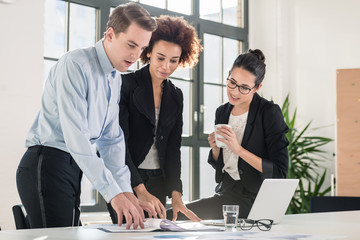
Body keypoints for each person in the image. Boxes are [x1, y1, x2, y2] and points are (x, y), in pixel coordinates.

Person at [16, 3, 157, 229]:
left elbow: (111, 141)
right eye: (131, 45)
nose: (136, 55)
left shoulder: (114, 77)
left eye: (142, 48)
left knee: (72, 233)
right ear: (110, 34)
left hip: (73, 165)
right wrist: (113, 194)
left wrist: (126, 192)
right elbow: (77, 137)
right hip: (48, 162)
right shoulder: (76, 65)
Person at [167, 49, 289, 220]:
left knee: (175, 215)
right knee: (170, 215)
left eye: (244, 88)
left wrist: (238, 149)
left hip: (254, 199)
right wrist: (216, 150)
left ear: (257, 87)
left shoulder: (268, 112)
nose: (235, 92)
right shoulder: (223, 112)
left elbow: (279, 172)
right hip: (226, 193)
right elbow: (224, 166)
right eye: (232, 82)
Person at [107, 15, 202, 223]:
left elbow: (173, 148)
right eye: (160, 58)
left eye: (174, 61)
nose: (166, 66)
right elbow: (117, 144)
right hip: (127, 178)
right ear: (148, 51)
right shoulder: (126, 85)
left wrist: (176, 196)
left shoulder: (176, 96)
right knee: (130, 235)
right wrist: (138, 188)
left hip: (159, 181)